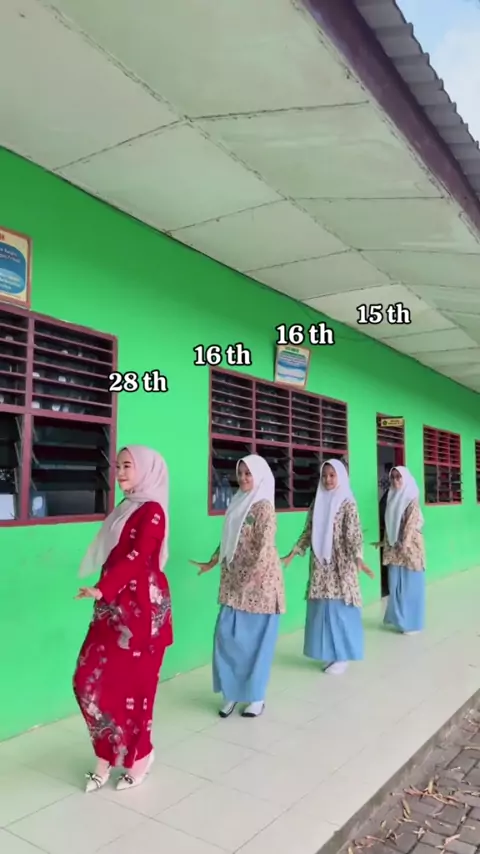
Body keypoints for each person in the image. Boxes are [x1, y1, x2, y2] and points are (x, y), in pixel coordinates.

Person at [73, 445, 173, 793]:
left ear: (146, 470)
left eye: (127, 466)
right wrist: (104, 592)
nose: (120, 473)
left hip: (142, 614)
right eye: (118, 466)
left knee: (137, 692)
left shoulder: (153, 511)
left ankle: (139, 756)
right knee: (87, 682)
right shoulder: (125, 507)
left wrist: (102, 588)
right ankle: (106, 753)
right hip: (111, 610)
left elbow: (138, 556)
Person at [191, 454, 285, 719]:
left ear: (259, 475)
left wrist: (251, 579)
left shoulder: (264, 507)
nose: (243, 478)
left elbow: (265, 548)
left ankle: (256, 697)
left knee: (255, 645)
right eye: (240, 473)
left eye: (248, 473)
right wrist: (212, 561)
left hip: (261, 587)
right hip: (234, 583)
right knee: (226, 637)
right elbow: (229, 538)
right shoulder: (237, 501)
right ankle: (231, 692)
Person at [282, 459, 373, 675]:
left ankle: (342, 656)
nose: (328, 480)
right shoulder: (318, 501)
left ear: (340, 476)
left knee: (339, 611)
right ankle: (330, 653)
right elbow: (309, 531)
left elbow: (354, 534)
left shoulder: (347, 502)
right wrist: (294, 552)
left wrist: (358, 557)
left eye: (332, 475)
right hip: (321, 567)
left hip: (340, 566)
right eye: (324, 476)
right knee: (323, 611)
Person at [376, 466, 425, 635]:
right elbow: (390, 524)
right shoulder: (391, 497)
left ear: (406, 479)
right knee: (395, 584)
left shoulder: (411, 497)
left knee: (410, 586)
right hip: (394, 548)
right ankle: (398, 619)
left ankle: (412, 624)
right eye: (393, 477)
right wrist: (384, 542)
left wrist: (405, 545)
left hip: (411, 549)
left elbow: (411, 524)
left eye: (399, 477)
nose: (395, 481)